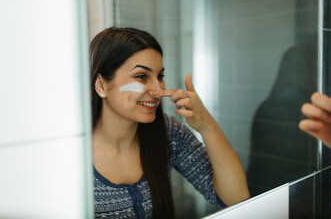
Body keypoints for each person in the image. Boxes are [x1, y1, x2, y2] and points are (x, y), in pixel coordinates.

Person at [89, 27, 250, 218]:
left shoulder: (169, 132)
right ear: (101, 85)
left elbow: (236, 199)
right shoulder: (67, 152)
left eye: (160, 77)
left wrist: (207, 126)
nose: (158, 90)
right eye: (141, 77)